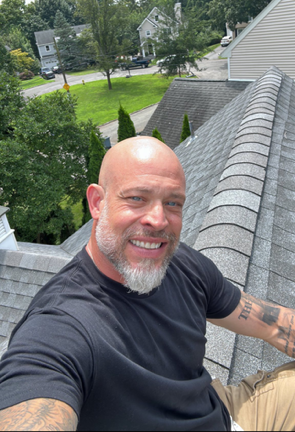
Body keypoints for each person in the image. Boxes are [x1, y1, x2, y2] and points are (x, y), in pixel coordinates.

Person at [0, 137, 294, 431]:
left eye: (172, 203)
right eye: (137, 198)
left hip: (226, 414)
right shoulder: (60, 325)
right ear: (97, 202)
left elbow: (274, 324)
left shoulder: (184, 265)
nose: (158, 220)